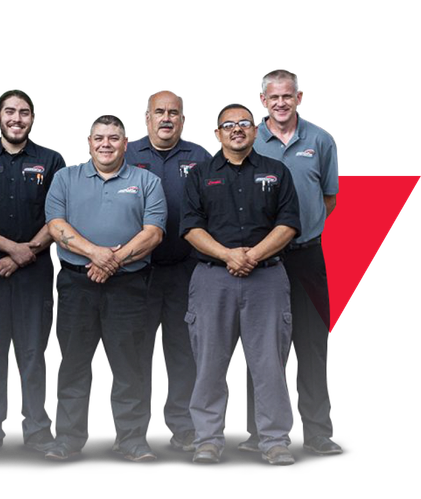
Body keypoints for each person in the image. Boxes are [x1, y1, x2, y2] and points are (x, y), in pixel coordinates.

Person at [180, 103, 300, 466]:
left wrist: (252, 256)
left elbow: (289, 224)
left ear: (254, 130)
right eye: (228, 125)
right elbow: (190, 227)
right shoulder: (199, 174)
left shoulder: (276, 171)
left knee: (268, 361)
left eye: (244, 124)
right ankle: (207, 439)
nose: (237, 129)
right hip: (212, 278)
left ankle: (275, 439)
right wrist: (229, 256)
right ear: (217, 134)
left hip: (267, 277)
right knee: (209, 360)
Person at [44, 115, 166, 462]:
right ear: (89, 143)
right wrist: (95, 253)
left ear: (126, 143)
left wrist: (113, 261)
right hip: (75, 283)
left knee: (130, 365)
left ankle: (132, 439)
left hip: (128, 285)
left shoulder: (147, 181)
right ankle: (68, 438)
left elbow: (154, 232)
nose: (106, 144)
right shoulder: (65, 177)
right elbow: (55, 225)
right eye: (99, 138)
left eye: (114, 138)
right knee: (73, 363)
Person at [239, 69, 342, 456]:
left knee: (311, 344)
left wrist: (305, 228)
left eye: (288, 96)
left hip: (306, 258)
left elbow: (328, 197)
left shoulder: (321, 140)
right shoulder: (249, 138)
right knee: (260, 345)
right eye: (273, 97)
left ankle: (317, 432)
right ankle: (255, 431)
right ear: (263, 101)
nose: (281, 103)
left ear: (300, 98)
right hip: (261, 260)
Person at [0, 89, 65, 452]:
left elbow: (58, 218)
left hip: (36, 271)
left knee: (34, 350)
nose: (16, 119)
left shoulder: (52, 161)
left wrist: (26, 253)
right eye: (10, 112)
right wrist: (11, 249)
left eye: (23, 113)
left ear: (31, 120)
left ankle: (37, 426)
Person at [125, 89, 212, 452]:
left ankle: (183, 426)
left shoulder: (201, 156)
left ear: (183, 120)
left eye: (173, 113)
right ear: (146, 118)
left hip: (185, 269)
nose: (166, 118)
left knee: (184, 350)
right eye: (159, 112)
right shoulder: (127, 153)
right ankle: (133, 430)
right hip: (134, 271)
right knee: (134, 352)